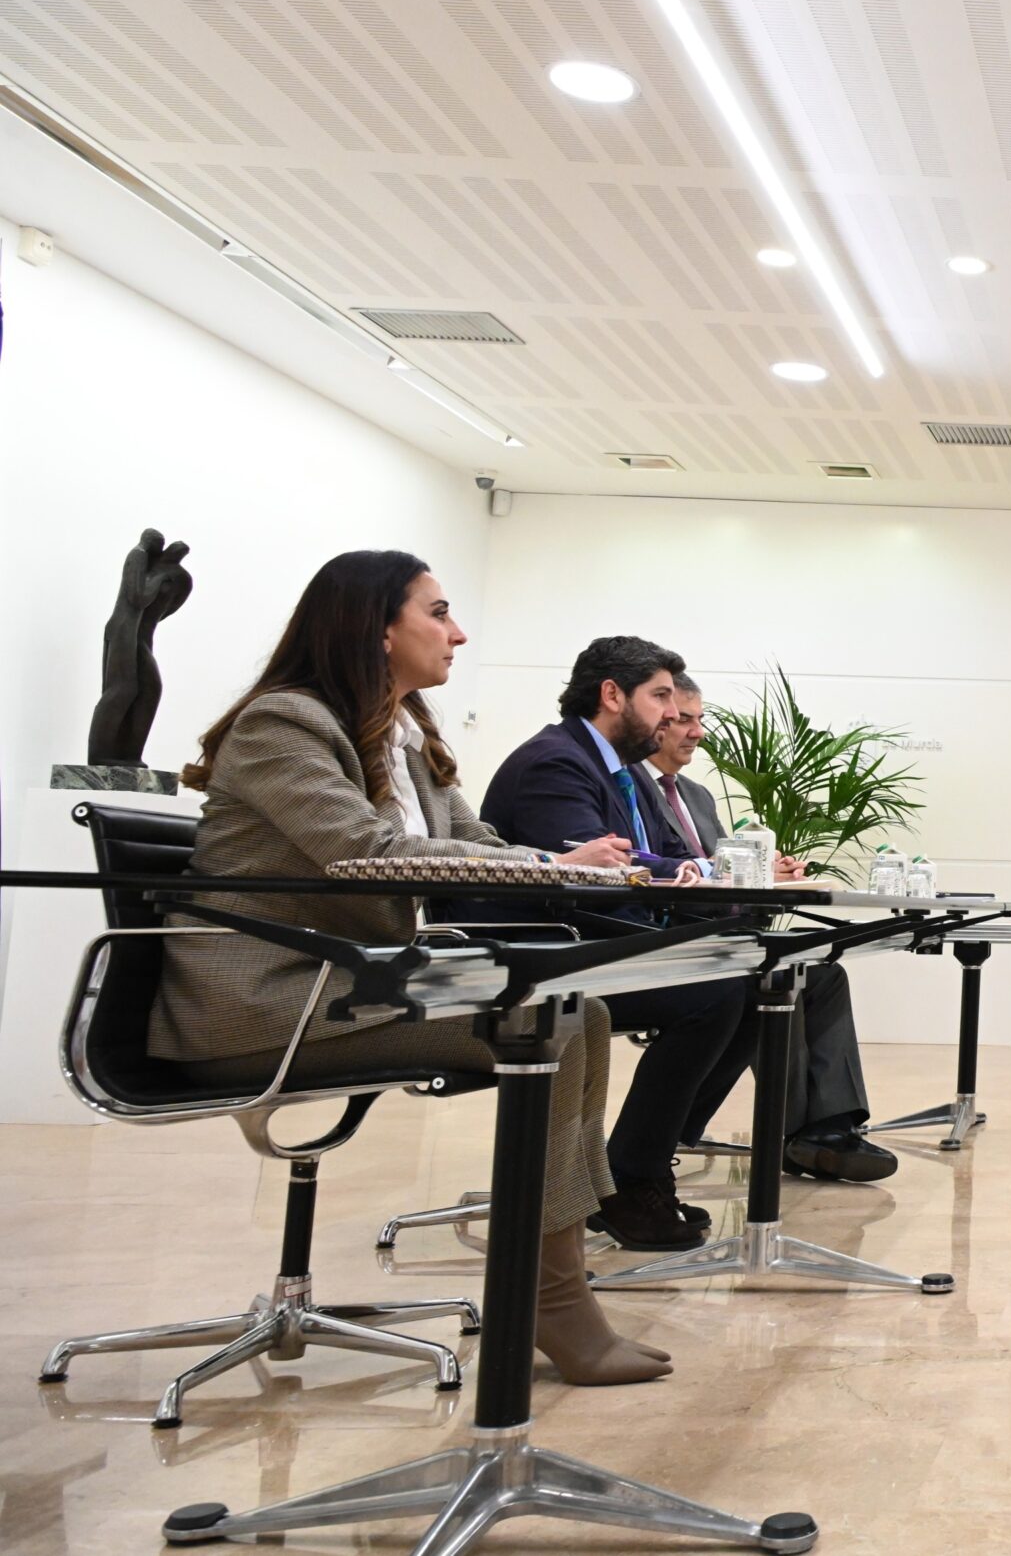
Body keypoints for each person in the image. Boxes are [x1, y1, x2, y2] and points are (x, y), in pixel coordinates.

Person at [155, 551, 668, 1386]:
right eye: (438, 612)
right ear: (377, 628)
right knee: (557, 1019)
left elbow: (478, 843)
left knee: (582, 1009)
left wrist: (562, 863)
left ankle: (555, 1286)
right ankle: (552, 1297)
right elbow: (367, 851)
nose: (457, 632)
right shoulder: (282, 725)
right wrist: (551, 864)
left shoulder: (403, 735)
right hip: (266, 1003)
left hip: (341, 985)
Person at [477, 637, 753, 1253]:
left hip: (600, 938)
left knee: (758, 979)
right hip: (547, 952)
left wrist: (715, 871)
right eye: (660, 697)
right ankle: (631, 1176)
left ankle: (642, 1161)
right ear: (611, 695)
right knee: (714, 994)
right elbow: (597, 871)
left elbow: (664, 858)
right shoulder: (556, 762)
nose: (671, 715)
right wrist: (700, 873)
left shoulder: (620, 771)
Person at [642, 677, 897, 1184]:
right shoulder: (631, 787)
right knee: (770, 978)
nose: (697, 732)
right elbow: (653, 872)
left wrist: (768, 874)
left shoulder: (696, 796)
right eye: (684, 720)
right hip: (672, 939)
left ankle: (829, 1126)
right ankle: (790, 1136)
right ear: (656, 721)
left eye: (700, 720)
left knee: (821, 975)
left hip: (725, 934)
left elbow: (725, 873)